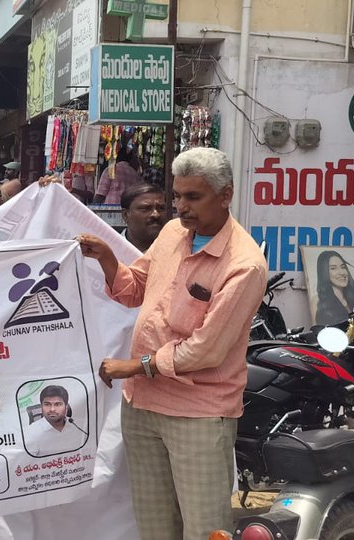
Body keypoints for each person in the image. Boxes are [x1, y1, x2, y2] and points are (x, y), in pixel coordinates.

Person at [75, 147, 267, 540]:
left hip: (197, 412)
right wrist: (107, 257)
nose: (181, 207)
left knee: (203, 529)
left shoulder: (243, 264)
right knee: (155, 527)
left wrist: (133, 367)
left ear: (225, 195)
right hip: (142, 406)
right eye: (178, 196)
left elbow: (205, 350)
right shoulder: (173, 234)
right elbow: (136, 289)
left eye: (193, 197)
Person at [314, 250, 354, 325]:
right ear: (324, 272)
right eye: (333, 268)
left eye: (343, 267)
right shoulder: (317, 300)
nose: (342, 273)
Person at [25, 385, 87, 457]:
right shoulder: (30, 433)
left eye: (57, 404)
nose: (52, 409)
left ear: (66, 407)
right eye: (47, 404)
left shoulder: (79, 427)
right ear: (41, 407)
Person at [120, 183, 168, 254]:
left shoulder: (177, 252)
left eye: (161, 208)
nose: (156, 214)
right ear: (125, 215)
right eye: (145, 208)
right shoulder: (107, 253)